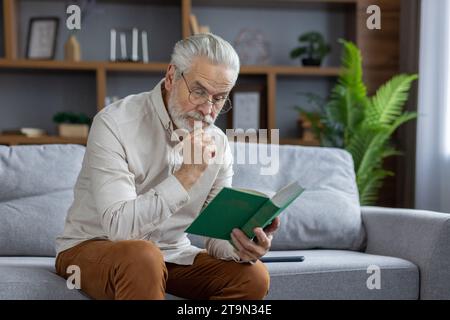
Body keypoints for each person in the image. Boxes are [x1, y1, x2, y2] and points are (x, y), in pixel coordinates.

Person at [55, 33, 280, 300]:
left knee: (253, 277)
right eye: (199, 91)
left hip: (170, 253)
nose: (208, 110)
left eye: (219, 98)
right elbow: (120, 229)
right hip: (91, 247)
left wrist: (241, 246)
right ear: (172, 76)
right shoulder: (114, 123)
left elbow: (214, 235)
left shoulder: (217, 143)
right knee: (142, 256)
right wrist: (188, 173)